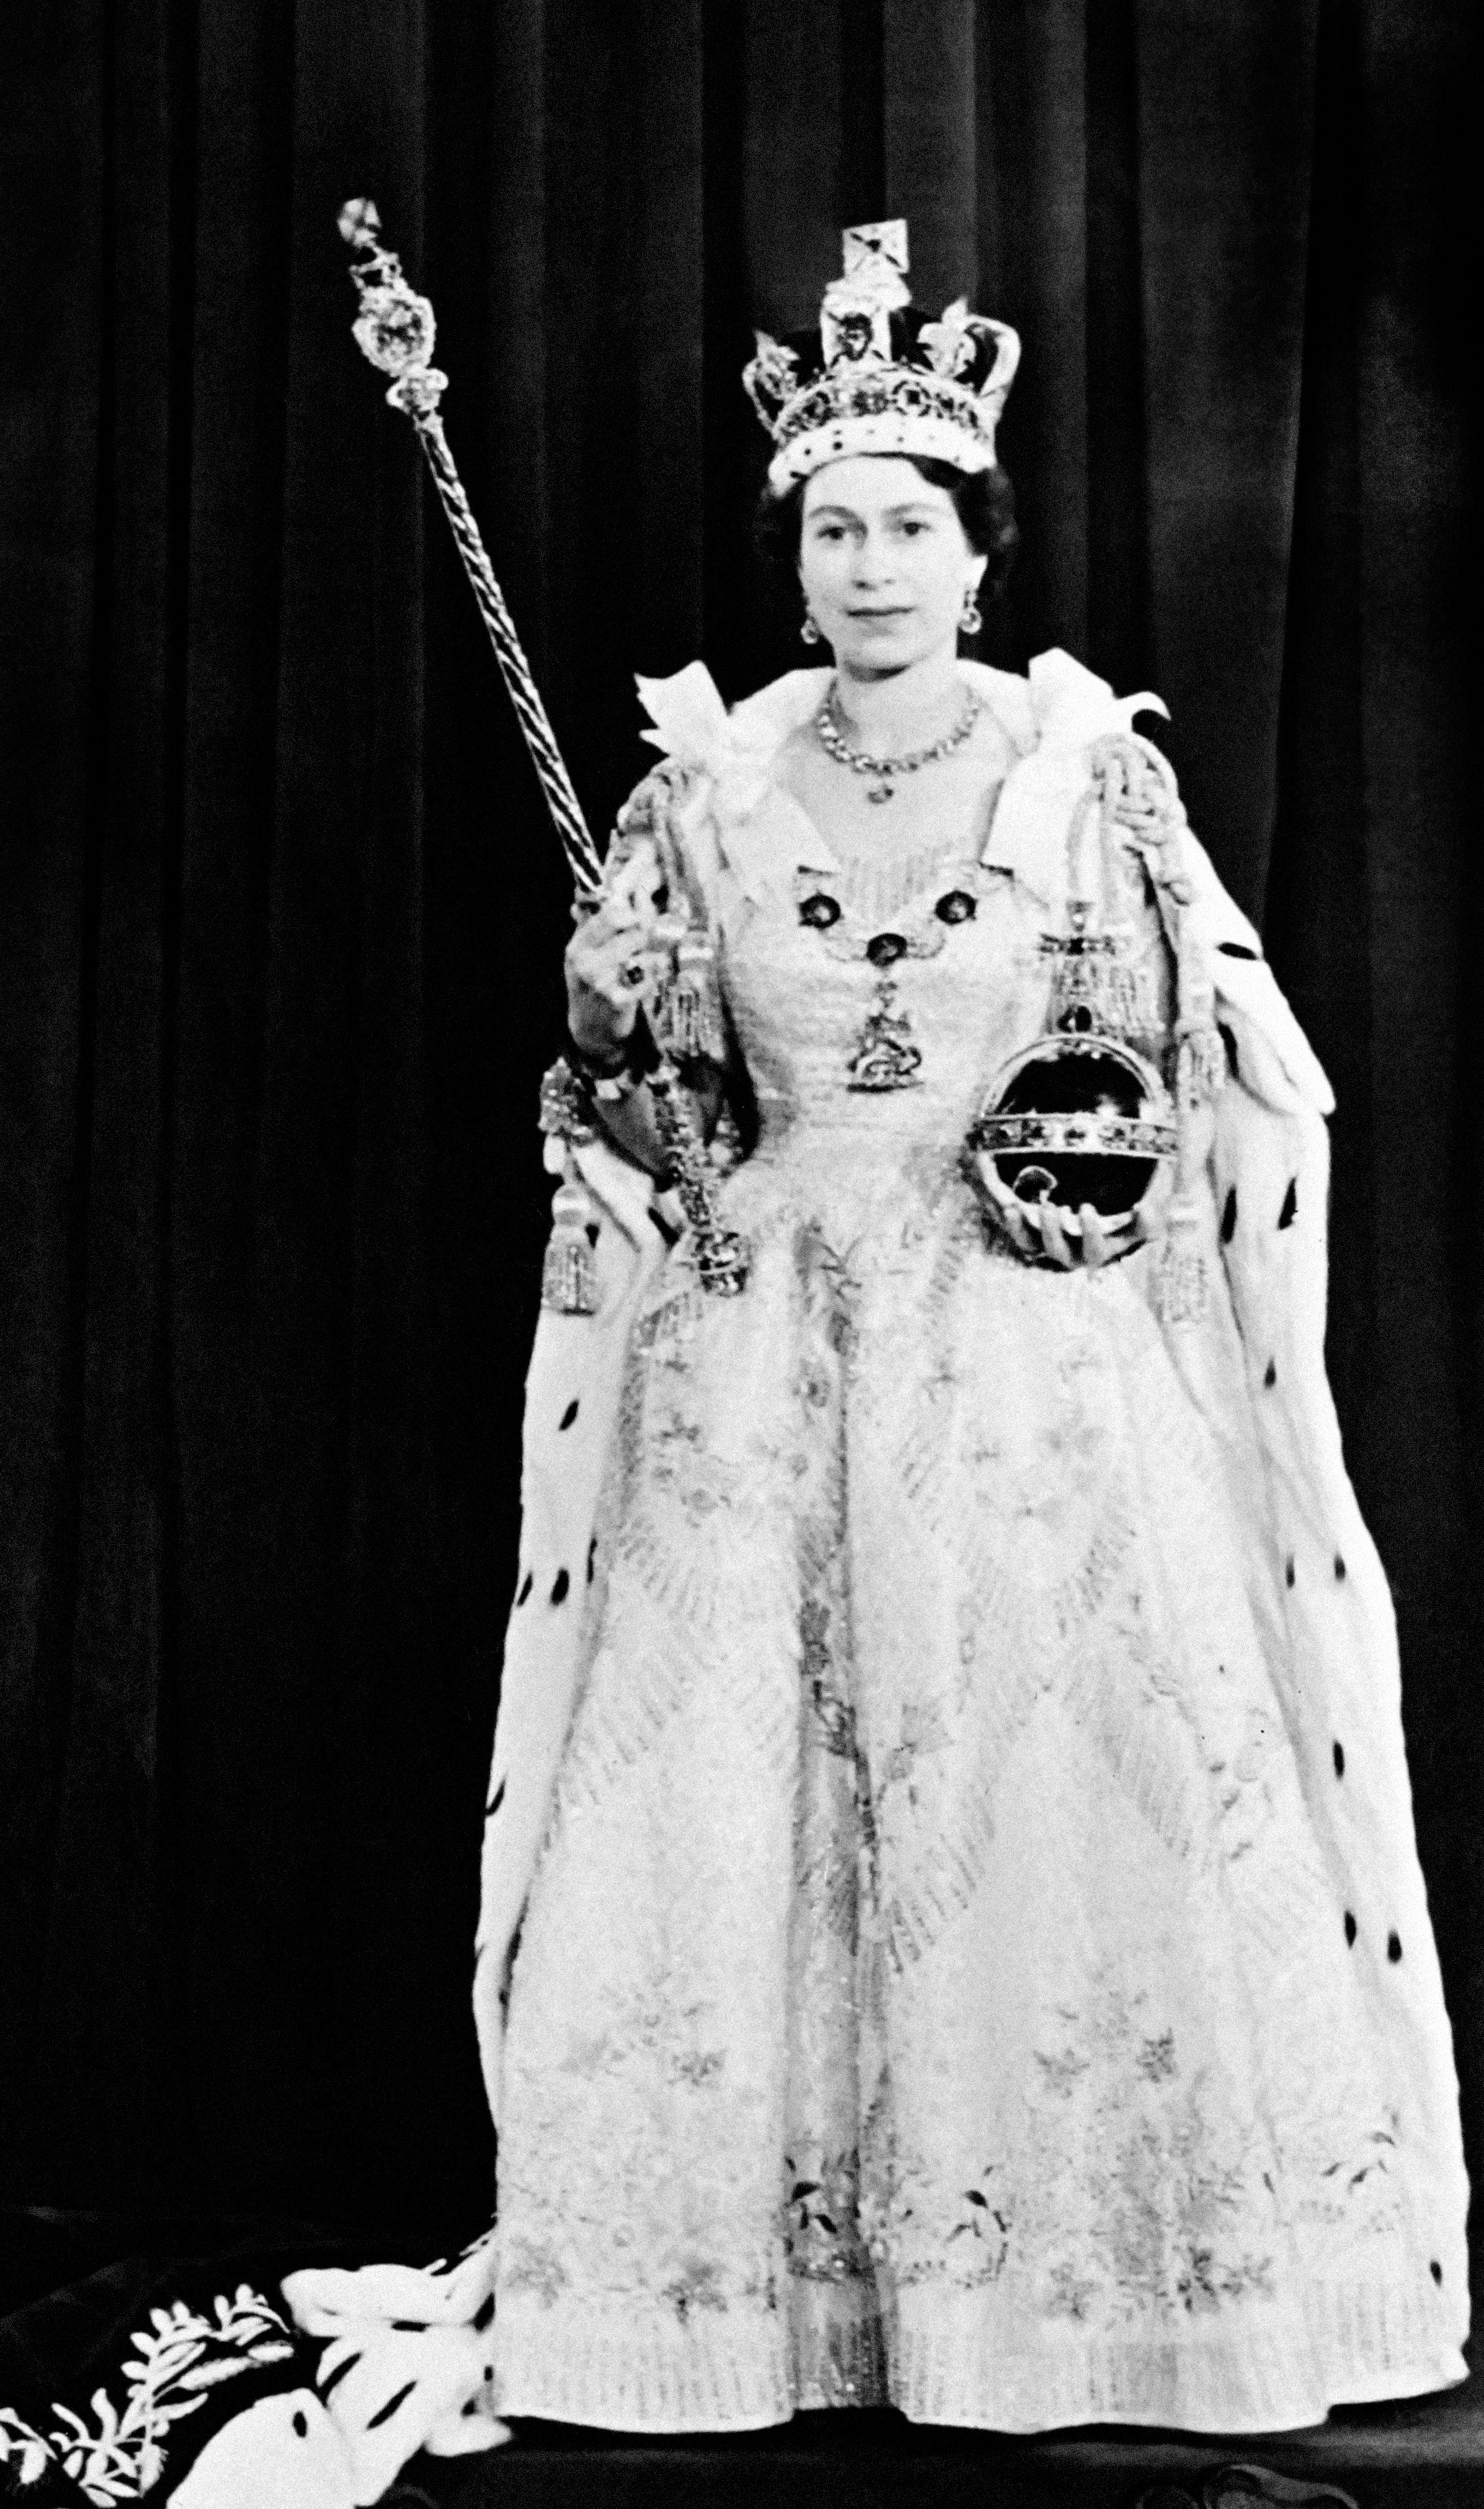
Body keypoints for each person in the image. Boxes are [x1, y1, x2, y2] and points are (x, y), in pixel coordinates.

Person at [471, 221, 1470, 2437]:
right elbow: (659, 1103)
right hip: (758, 1349)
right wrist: (617, 1039)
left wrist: (1085, 1165)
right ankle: (761, 2300)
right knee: (748, 1792)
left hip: (1030, 1346)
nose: (868, 562)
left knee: (1046, 1766)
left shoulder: (1082, 771)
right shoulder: (694, 789)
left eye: (908, 525)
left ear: (976, 549)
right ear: (793, 552)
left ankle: (1085, 2296)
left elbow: (1170, 1049)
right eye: (831, 529)